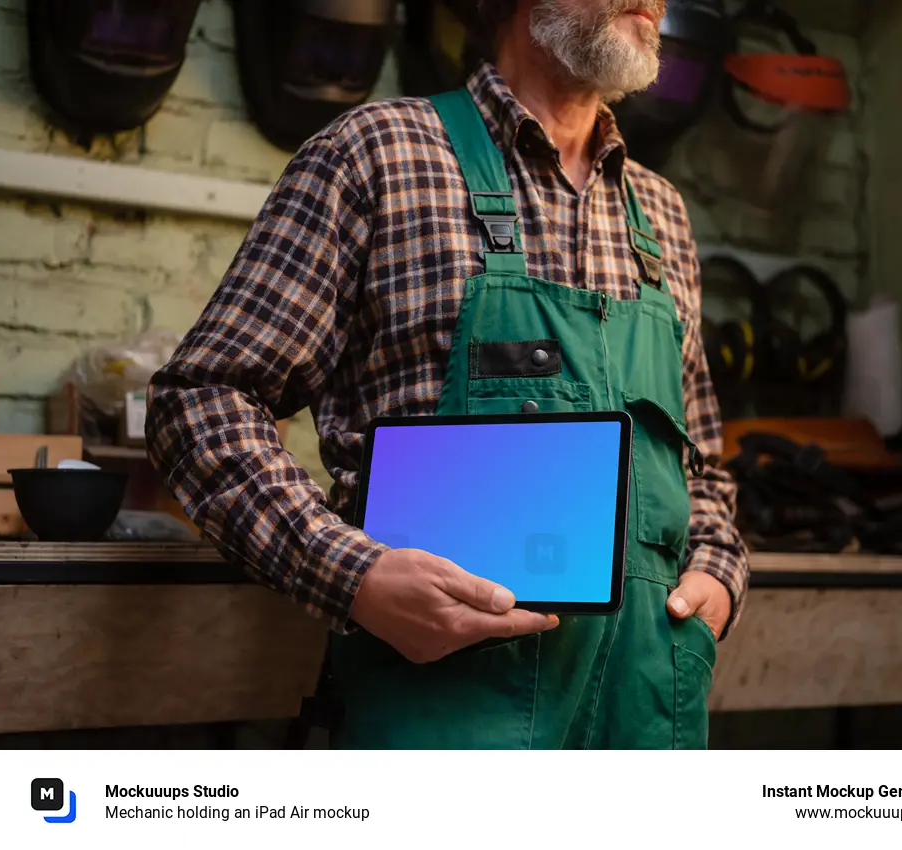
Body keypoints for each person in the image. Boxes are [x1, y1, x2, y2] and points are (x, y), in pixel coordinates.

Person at [146, 0, 749, 749]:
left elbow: (704, 467)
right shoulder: (378, 155)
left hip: (639, 715)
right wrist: (350, 574)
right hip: (446, 719)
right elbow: (201, 400)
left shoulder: (661, 216)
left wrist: (720, 572)